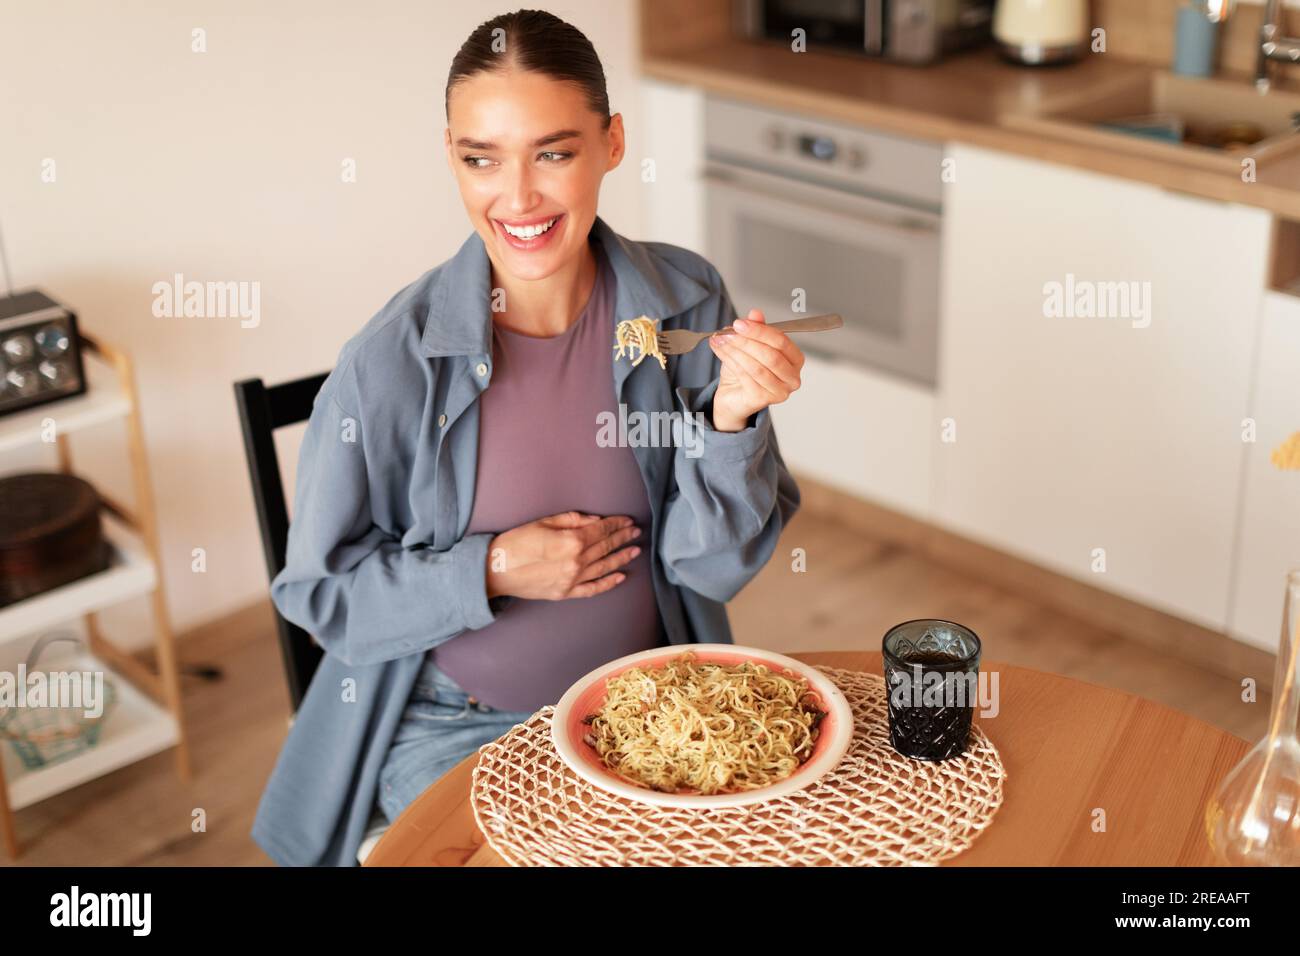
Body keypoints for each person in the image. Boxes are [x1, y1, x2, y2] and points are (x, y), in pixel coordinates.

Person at [251, 8, 803, 867]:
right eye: (482, 159)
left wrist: (730, 421)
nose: (518, 199)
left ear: (612, 143)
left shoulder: (686, 303)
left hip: (651, 704)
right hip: (453, 726)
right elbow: (321, 598)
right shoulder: (387, 365)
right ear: (451, 158)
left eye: (554, 152)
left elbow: (711, 568)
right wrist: (494, 567)